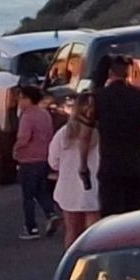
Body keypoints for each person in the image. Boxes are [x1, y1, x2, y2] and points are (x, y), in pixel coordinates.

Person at [79, 55, 140, 217]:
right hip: (136, 165)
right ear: (130, 72)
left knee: (110, 216)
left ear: (110, 72)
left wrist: (83, 165)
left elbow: (84, 136)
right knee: (133, 216)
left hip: (110, 165)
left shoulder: (96, 98)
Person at [49, 95, 100, 248]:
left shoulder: (63, 134)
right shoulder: (100, 135)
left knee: (72, 231)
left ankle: (72, 260)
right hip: (94, 187)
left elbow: (53, 162)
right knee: (95, 232)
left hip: (69, 188)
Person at [14, 85, 60, 240]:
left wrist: (15, 149)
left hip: (28, 159)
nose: (19, 101)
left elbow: (23, 138)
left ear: (28, 99)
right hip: (43, 157)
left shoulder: (27, 116)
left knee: (28, 195)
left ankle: (31, 227)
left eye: (21, 98)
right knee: (41, 190)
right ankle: (51, 213)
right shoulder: (44, 114)